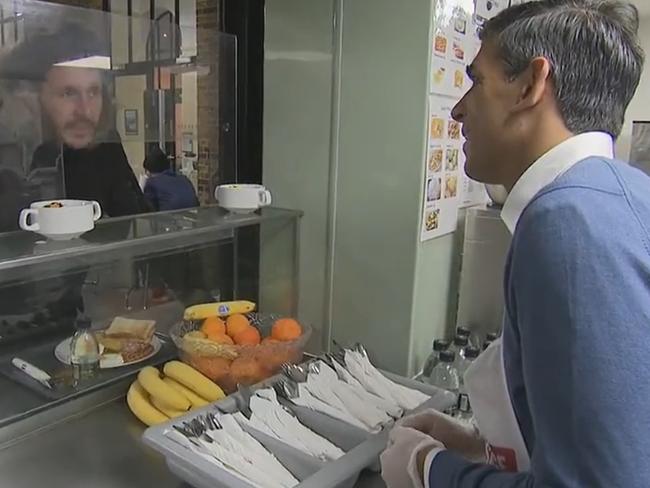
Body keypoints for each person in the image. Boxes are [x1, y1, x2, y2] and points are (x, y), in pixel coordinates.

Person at [381, 1, 650, 487]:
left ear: (531, 85)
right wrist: (482, 447)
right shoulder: (624, 193)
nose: (459, 108)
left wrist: (431, 468)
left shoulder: (567, 225)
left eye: (477, 81)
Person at [142, 146, 199, 211]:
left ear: (149, 171)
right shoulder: (184, 179)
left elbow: (147, 210)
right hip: (192, 218)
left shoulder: (152, 183)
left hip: (168, 220)